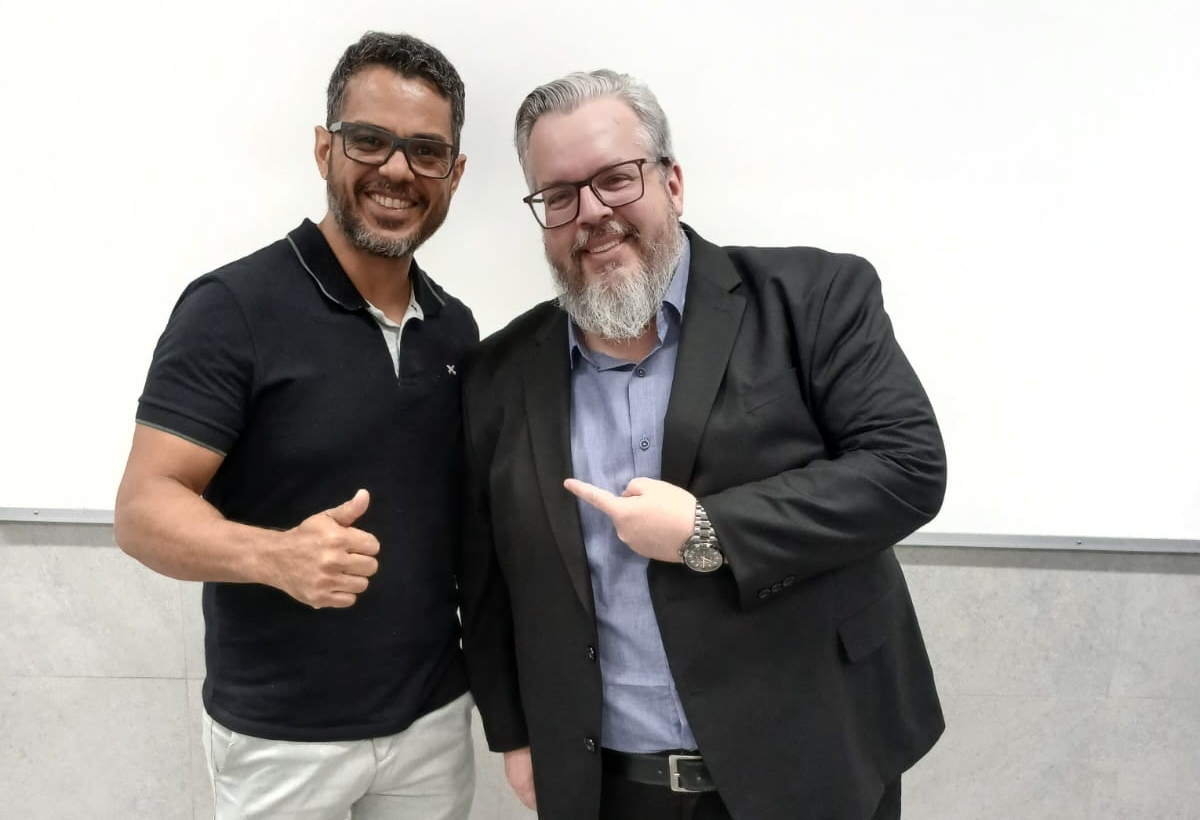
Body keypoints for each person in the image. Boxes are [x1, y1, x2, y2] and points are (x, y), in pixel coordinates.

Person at [459, 69, 947, 820]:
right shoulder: (497, 374)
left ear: (673, 183)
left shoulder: (813, 297)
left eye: (616, 179)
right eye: (559, 196)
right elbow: (487, 573)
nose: (592, 213)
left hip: (814, 760)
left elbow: (905, 469)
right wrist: (515, 734)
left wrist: (707, 531)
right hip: (610, 787)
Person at [114, 31, 477, 820]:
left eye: (425, 151)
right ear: (324, 148)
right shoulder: (231, 309)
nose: (397, 170)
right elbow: (143, 509)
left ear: (453, 174)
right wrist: (275, 556)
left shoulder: (455, 328)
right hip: (281, 739)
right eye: (369, 140)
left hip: (432, 722)